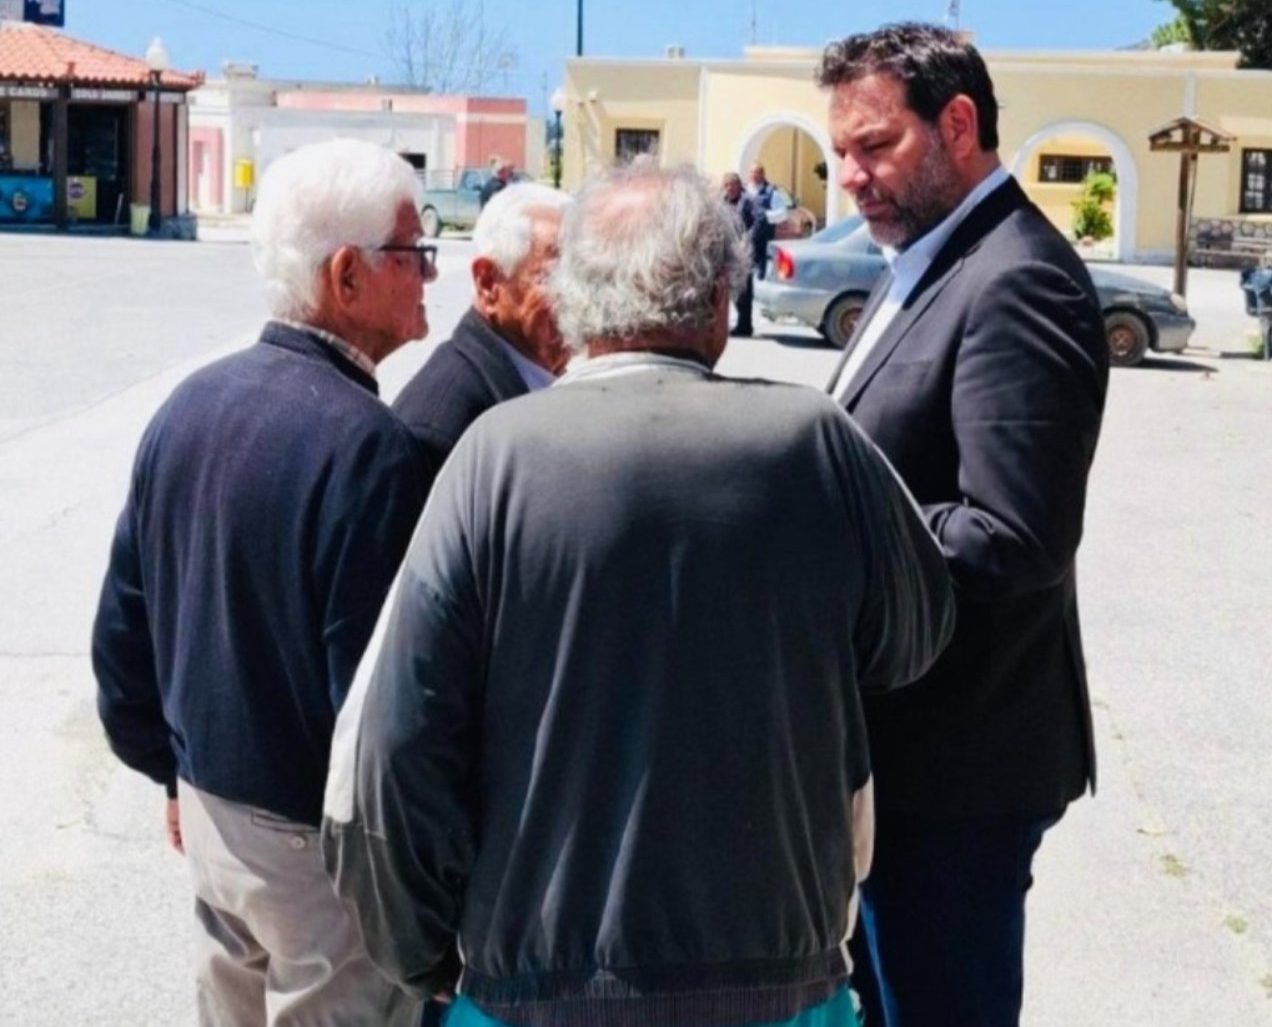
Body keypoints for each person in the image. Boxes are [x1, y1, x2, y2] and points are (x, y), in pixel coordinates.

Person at [322, 163, 956, 1027]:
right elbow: (914, 635)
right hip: (781, 976)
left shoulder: (495, 456)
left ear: (574, 299)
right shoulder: (815, 442)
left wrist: (422, 949)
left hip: (535, 990)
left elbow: (392, 747)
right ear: (720, 300)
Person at [92, 138, 433, 1027]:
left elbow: (123, 636)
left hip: (212, 812)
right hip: (312, 852)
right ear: (348, 274)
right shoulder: (369, 448)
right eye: (413, 252)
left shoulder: (189, 404)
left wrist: (173, 772)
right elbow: (377, 708)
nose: (430, 273)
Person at [819, 23, 1110, 1027]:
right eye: (840, 151)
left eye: (875, 146)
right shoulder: (926, 259)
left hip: (956, 774)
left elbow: (1015, 534)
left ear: (956, 124)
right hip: (902, 760)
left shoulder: (1017, 277)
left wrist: (826, 518)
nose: (850, 176)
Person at [392, 182, 573, 494]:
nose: (582, 298)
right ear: (488, 282)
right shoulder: (442, 426)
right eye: (557, 278)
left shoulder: (543, 377)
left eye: (587, 278)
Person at [721, 170, 759, 336]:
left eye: (732, 185)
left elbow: (760, 220)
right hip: (728, 250)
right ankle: (735, 323)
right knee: (730, 288)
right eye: (726, 185)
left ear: (739, 185)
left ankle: (745, 325)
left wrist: (747, 238)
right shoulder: (722, 201)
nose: (729, 188)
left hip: (743, 251)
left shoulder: (748, 201)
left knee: (744, 289)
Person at [745, 161, 788, 280]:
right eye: (752, 172)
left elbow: (783, 213)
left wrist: (765, 216)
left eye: (757, 172)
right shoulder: (744, 190)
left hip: (763, 239)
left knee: (759, 273)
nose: (754, 175)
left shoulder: (771, 192)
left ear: (763, 174)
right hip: (746, 237)